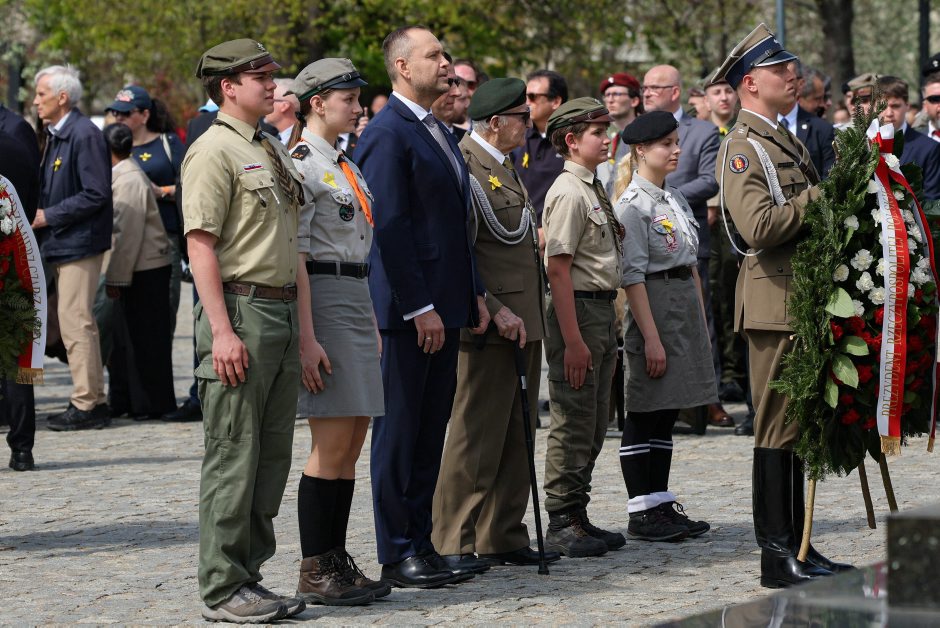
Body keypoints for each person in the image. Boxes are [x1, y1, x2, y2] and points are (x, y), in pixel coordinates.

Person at [712, 23, 853, 588]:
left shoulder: (780, 138)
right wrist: (823, 194)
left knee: (797, 426)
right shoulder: (743, 147)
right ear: (750, 82)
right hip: (774, 301)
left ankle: (799, 543)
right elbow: (759, 227)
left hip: (799, 297)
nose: (793, 76)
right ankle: (776, 555)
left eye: (792, 68)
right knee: (776, 427)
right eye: (779, 69)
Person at [355, 26, 489, 589]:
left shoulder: (436, 129)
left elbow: (454, 225)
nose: (447, 64)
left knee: (431, 431)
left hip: (447, 304)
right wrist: (418, 306)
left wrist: (473, 291)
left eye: (446, 54)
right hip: (410, 314)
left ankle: (422, 542)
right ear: (403, 67)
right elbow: (389, 227)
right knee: (400, 433)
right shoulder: (388, 132)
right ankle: (396, 550)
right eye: (434, 55)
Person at [182, 38, 307, 622]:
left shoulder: (267, 146)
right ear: (228, 87)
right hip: (241, 312)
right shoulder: (213, 150)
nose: (272, 85)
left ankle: (249, 576)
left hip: (281, 311)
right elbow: (200, 245)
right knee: (233, 453)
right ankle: (222, 584)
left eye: (271, 75)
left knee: (271, 457)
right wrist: (221, 331)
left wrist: (306, 332)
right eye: (260, 77)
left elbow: (291, 241)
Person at [431, 78, 560, 568]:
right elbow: (459, 251)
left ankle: (501, 532)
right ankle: (453, 538)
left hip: (524, 317)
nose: (528, 125)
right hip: (491, 321)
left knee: (516, 433)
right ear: (495, 122)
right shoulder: (465, 164)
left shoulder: (503, 165)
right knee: (477, 435)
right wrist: (487, 304)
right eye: (521, 118)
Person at [286, 57, 387, 606]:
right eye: (347, 98)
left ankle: (336, 559)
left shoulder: (344, 163)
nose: (357, 106)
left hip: (354, 295)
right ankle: (315, 567)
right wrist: (307, 337)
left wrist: (368, 314)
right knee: (329, 442)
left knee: (351, 440)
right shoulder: (302, 165)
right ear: (317, 103)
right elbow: (299, 257)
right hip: (322, 299)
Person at [613, 111, 716, 541]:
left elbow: (690, 262)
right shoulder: (633, 205)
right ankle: (641, 510)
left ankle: (659, 502)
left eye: (676, 142)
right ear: (640, 150)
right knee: (646, 408)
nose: (676, 150)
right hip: (654, 304)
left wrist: (700, 320)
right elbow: (633, 276)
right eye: (666, 144)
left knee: (668, 407)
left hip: (682, 305)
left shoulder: (671, 197)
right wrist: (651, 339)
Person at [541, 97, 625, 558]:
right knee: (573, 417)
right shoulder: (569, 191)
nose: (606, 138)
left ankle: (577, 511)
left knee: (594, 421)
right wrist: (573, 341)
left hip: (600, 311)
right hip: (578, 310)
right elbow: (557, 269)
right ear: (571, 140)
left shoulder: (591, 187)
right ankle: (561, 518)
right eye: (597, 132)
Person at [642, 64, 726, 432]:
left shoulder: (703, 131)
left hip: (688, 242)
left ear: (675, 92)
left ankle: (709, 398)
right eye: (645, 87)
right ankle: (670, 398)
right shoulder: (638, 133)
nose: (647, 93)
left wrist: (664, 196)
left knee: (700, 319)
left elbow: (710, 180)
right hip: (646, 240)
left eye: (655, 87)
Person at [32, 64, 112, 431]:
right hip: (65, 242)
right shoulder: (60, 133)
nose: (36, 102)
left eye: (41, 94)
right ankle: (93, 399)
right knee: (76, 323)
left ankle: (86, 403)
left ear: (62, 97)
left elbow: (96, 193)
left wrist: (48, 216)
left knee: (76, 324)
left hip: (78, 243)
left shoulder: (83, 134)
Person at [101, 123, 175, 420]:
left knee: (146, 340)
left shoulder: (128, 178)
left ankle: (150, 403)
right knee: (130, 339)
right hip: (142, 266)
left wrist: (116, 277)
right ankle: (130, 399)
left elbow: (126, 235)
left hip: (146, 268)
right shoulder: (125, 173)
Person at [104, 85, 185, 336]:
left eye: (126, 113)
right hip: (121, 237)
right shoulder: (110, 147)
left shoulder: (168, 143)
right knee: (120, 315)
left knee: (161, 314)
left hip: (162, 241)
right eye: (115, 113)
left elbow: (191, 185)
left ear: (145, 115)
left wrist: (163, 191)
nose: (119, 118)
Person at [0, 102, 42, 470]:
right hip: (15, 260)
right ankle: (23, 448)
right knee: (18, 361)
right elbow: (31, 203)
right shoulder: (18, 147)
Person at [512, 69, 568, 243]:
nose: (527, 102)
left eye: (533, 97)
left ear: (556, 101)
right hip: (522, 236)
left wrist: (548, 230)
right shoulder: (519, 137)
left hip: (560, 239)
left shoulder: (572, 141)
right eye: (525, 97)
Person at [868, 75, 940, 201]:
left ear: (907, 106)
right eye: (882, 106)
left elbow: (932, 200)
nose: (889, 113)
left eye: (895, 106)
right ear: (873, 107)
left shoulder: (929, 148)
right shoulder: (862, 145)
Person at [779, 63, 835, 178]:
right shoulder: (757, 127)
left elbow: (830, 179)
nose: (822, 104)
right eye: (778, 75)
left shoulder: (822, 129)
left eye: (790, 78)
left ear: (800, 84)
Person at [597, 72, 642, 198]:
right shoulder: (602, 134)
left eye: (616, 94)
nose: (610, 100)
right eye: (607, 95)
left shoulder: (645, 134)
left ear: (634, 101)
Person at [431, 55, 467, 140]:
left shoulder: (467, 138)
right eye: (448, 82)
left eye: (456, 82)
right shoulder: (403, 133)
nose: (457, 93)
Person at [266, 79, 300, 145]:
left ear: (284, 106)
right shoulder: (276, 140)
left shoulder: (301, 141)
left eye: (270, 99)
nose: (265, 103)